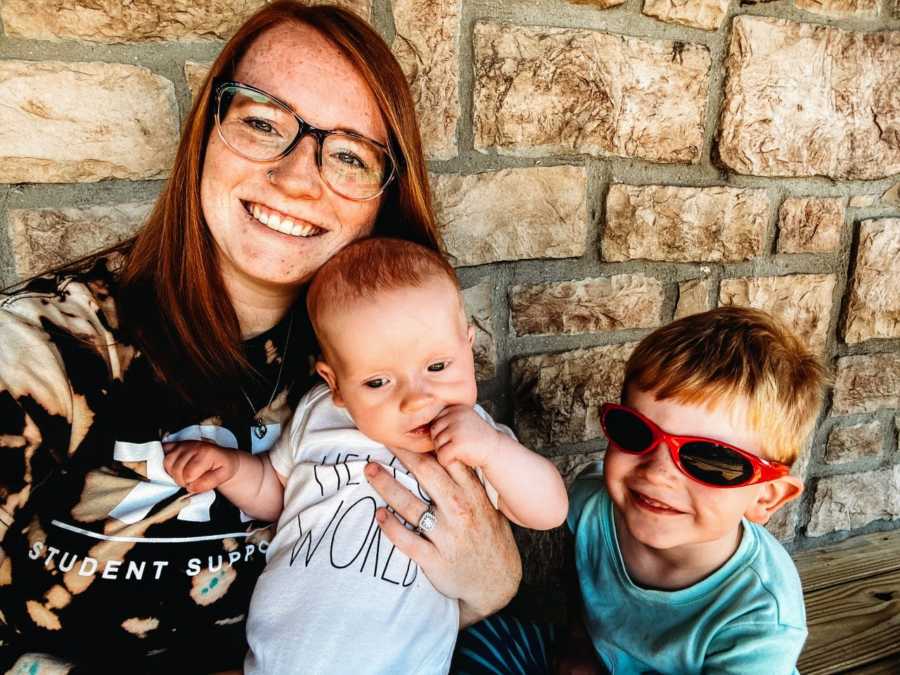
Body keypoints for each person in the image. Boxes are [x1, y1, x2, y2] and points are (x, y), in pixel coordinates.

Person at [0, 3, 521, 672]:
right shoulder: (50, 347)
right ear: (204, 135)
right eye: (260, 121)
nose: (298, 176)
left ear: (383, 200)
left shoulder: (389, 362)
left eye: (350, 155)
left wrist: (494, 574)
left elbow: (477, 572)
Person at [165, 237, 569, 673]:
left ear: (467, 346)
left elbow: (549, 510)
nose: (417, 400)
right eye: (378, 382)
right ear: (334, 383)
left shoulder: (472, 437)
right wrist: (231, 470)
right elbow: (276, 495)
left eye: (438, 367)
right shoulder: (317, 416)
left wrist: (495, 452)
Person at [561, 306, 827, 674]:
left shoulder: (761, 616)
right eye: (635, 431)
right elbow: (578, 588)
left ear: (766, 496)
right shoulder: (590, 505)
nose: (657, 473)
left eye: (711, 460)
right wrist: (578, 645)